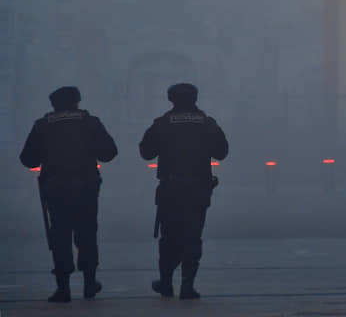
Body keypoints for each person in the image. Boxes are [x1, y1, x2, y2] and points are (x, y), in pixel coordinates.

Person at [19, 86, 118, 303]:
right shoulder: (90, 122)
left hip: (56, 189)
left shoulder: (43, 125)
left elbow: (28, 159)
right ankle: (89, 282)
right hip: (86, 188)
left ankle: (63, 288)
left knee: (60, 236)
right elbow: (109, 153)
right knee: (87, 233)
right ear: (77, 101)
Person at [139, 83, 228, 299]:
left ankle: (166, 283)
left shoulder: (162, 124)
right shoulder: (207, 123)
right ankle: (187, 286)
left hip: (171, 189)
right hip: (198, 188)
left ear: (171, 99)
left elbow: (146, 152)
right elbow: (222, 152)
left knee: (169, 237)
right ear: (195, 98)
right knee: (192, 236)